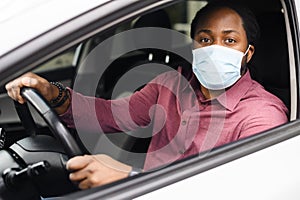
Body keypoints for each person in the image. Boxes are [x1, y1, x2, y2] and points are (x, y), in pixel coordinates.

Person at [5, 0, 288, 190]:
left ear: (247, 53)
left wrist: (130, 177)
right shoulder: (170, 85)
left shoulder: (262, 115)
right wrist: (50, 92)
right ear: (193, 47)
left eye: (229, 40)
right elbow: (104, 114)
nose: (215, 48)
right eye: (205, 39)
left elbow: (243, 190)